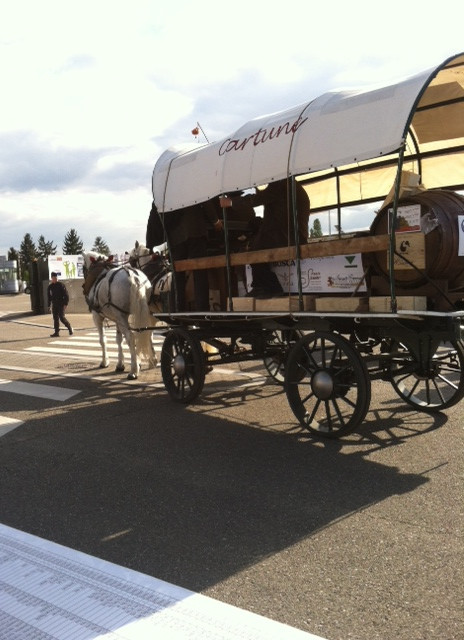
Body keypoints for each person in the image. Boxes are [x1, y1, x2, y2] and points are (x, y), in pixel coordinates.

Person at [220, 178, 310, 297]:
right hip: (290, 233)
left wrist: (231, 202)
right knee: (256, 246)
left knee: (254, 251)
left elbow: (259, 198)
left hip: (287, 235)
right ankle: (260, 286)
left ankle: (271, 288)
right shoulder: (289, 184)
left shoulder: (281, 183)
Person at [164, 200, 223, 311]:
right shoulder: (194, 182)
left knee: (177, 275)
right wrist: (215, 221)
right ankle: (202, 310)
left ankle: (177, 311)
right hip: (195, 229)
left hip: (175, 236)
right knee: (199, 272)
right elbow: (206, 199)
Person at [47, 272, 73, 337]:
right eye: (53, 278)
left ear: (56, 278)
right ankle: (56, 332)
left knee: (62, 318)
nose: (54, 279)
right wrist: (49, 305)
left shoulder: (61, 285)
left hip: (61, 304)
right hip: (54, 304)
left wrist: (65, 304)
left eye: (55, 278)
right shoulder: (50, 287)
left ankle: (70, 328)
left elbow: (66, 295)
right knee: (55, 318)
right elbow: (49, 297)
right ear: (51, 278)